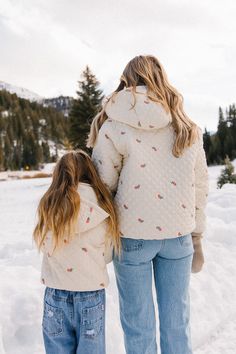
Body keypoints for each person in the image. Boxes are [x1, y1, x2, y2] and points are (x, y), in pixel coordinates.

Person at [88, 55, 209, 354]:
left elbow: (102, 186)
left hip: (132, 239)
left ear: (127, 81)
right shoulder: (187, 127)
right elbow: (200, 187)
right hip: (179, 237)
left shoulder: (114, 127)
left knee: (138, 326)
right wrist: (198, 236)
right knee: (177, 324)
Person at [33, 150, 119, 354]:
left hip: (56, 293)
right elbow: (107, 255)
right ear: (90, 173)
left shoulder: (50, 205)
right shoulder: (102, 205)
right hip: (90, 293)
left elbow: (45, 246)